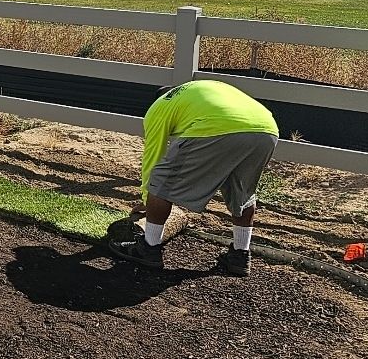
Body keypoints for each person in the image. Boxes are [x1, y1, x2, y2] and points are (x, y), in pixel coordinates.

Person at [109, 79, 278, 277]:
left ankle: (148, 248)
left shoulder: (159, 107)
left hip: (218, 125)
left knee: (161, 179)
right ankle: (240, 255)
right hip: (266, 129)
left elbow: (153, 156)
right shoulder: (195, 93)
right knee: (243, 191)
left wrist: (148, 199)